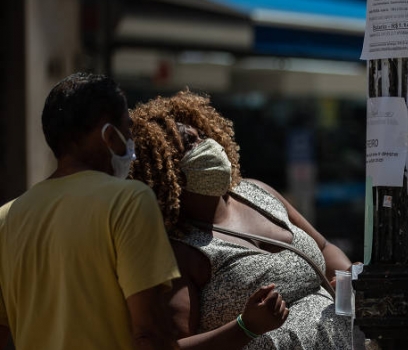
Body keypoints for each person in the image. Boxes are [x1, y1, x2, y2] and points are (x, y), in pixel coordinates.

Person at [129, 90, 358, 349]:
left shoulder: (257, 192)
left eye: (202, 135)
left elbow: (324, 248)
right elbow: (175, 346)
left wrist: (349, 276)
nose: (206, 145)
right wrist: (246, 326)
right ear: (165, 169)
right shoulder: (181, 250)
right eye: (189, 144)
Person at [0, 72, 182, 350]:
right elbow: (149, 333)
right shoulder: (129, 201)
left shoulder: (6, 218)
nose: (131, 143)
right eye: (127, 130)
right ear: (109, 134)